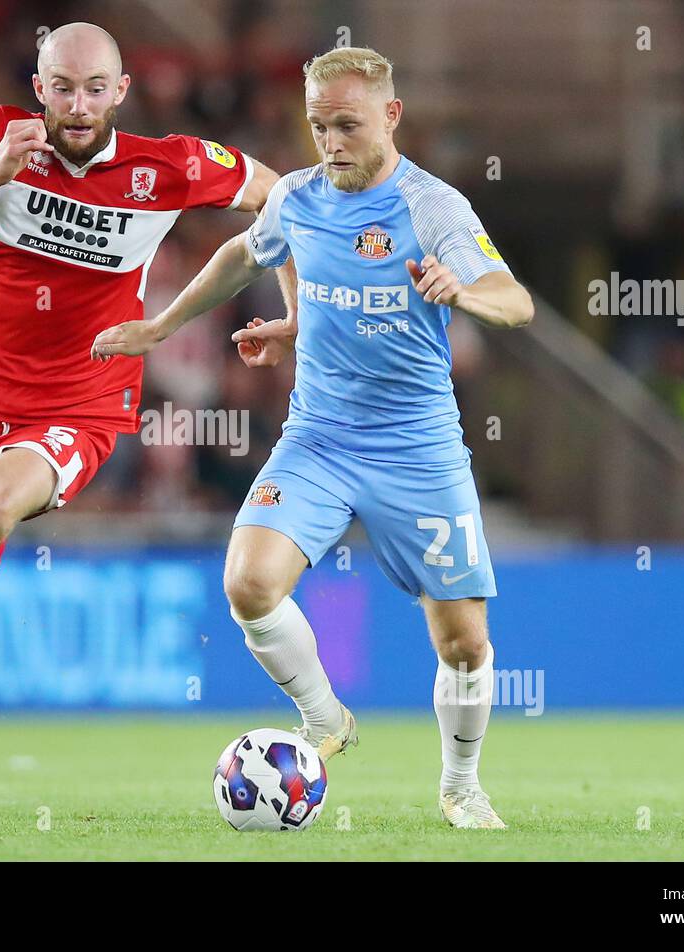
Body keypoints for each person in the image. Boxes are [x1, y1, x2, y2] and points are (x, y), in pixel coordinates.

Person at [91, 47, 533, 829]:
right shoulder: (296, 197)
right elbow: (241, 253)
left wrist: (461, 289)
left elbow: (515, 301)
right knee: (247, 584)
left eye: (348, 126)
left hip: (417, 446)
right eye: (319, 125)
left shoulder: (434, 208)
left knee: (463, 643)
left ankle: (461, 785)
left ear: (391, 117)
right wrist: (162, 325)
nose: (331, 141)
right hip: (320, 438)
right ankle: (325, 716)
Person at [0, 22, 286, 813]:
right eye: (63, 87)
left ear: (122, 92)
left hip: (79, 402)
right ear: (39, 88)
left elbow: (286, 199)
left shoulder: (170, 166)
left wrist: (301, 304)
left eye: (96, 88)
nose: (79, 104)